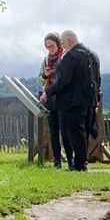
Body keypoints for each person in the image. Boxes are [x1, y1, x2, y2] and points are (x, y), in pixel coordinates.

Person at [49, 29, 98, 171]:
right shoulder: (93, 55)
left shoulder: (71, 56)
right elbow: (97, 79)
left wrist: (49, 91)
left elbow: (64, 81)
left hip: (74, 101)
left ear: (70, 41)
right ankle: (83, 163)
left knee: (77, 133)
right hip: (90, 99)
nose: (63, 47)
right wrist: (96, 98)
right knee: (86, 133)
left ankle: (79, 165)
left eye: (63, 43)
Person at [38, 32, 64, 167]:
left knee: (66, 130)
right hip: (50, 97)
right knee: (53, 131)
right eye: (47, 47)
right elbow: (40, 81)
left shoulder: (65, 56)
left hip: (63, 96)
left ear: (58, 44)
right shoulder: (46, 60)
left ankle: (71, 159)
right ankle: (57, 160)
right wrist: (45, 74)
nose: (50, 49)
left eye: (52, 46)